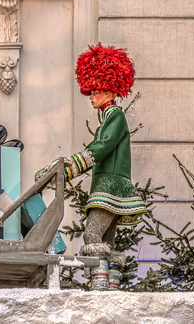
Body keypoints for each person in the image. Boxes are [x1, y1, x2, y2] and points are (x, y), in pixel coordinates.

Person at [45, 43, 147, 280]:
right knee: (106, 243)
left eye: (95, 91)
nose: (91, 96)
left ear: (110, 92)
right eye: (90, 92)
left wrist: (73, 165)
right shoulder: (110, 118)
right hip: (114, 186)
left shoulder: (115, 116)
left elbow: (101, 147)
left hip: (108, 187)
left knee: (92, 237)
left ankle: (99, 286)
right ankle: (110, 285)